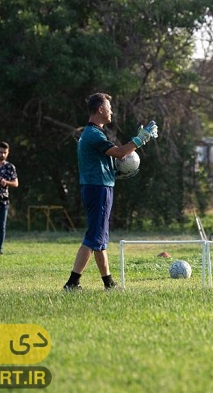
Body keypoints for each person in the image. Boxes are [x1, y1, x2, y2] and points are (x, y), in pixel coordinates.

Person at [63, 93, 158, 291]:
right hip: (98, 190)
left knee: (99, 239)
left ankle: (109, 283)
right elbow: (120, 152)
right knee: (93, 238)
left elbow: (102, 161)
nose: (111, 111)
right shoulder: (93, 134)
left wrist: (114, 171)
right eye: (109, 107)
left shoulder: (94, 133)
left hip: (99, 187)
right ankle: (72, 283)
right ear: (100, 109)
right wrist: (141, 138)